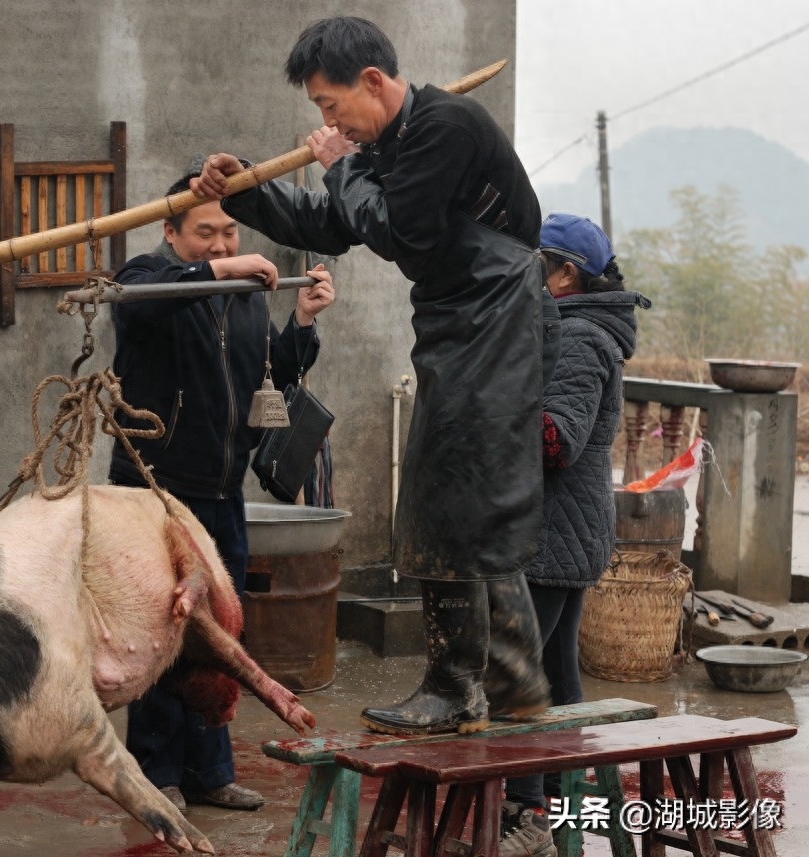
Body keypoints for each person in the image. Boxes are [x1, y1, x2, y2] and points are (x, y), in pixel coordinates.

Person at [194, 15, 556, 735]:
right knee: (462, 497)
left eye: (331, 106)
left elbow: (399, 233)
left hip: (495, 318)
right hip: (461, 322)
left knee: (447, 494)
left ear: (372, 81)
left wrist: (341, 165)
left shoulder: (445, 126)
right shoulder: (391, 146)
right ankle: (513, 679)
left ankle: (462, 685)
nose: (329, 123)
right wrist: (241, 191)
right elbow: (333, 225)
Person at [109, 172, 335, 811]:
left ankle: (210, 772)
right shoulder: (147, 276)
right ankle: (156, 774)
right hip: (156, 495)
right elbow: (137, 301)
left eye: (229, 232)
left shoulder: (246, 298)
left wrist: (301, 321)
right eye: (204, 232)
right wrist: (221, 269)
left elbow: (269, 374)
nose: (220, 243)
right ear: (170, 231)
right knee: (165, 632)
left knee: (223, 636)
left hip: (223, 493)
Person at [498, 214, 650, 857]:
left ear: (565, 274)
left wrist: (493, 394)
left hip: (554, 528)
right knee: (557, 675)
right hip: (562, 527)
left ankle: (529, 810)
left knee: (520, 675)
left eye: (535, 264)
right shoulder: (567, 326)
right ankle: (561, 808)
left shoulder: (581, 336)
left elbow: (556, 441)